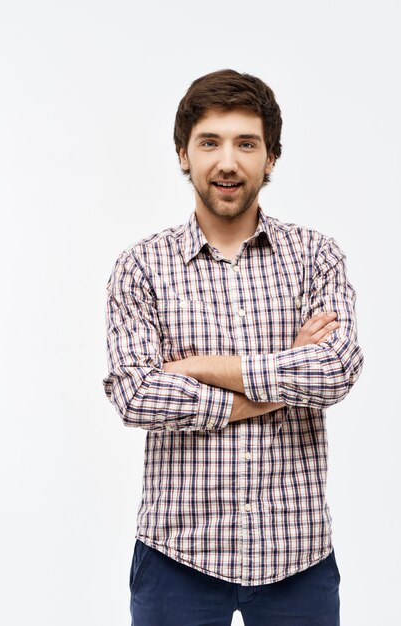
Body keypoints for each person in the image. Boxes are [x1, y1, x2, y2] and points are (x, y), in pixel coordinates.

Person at [102, 69, 364, 626]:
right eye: (209, 143)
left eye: (247, 143)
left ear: (270, 158)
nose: (228, 161)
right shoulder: (141, 267)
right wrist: (276, 385)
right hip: (177, 557)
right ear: (183, 155)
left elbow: (337, 370)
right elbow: (135, 394)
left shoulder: (317, 255)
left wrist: (200, 368)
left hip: (298, 557)